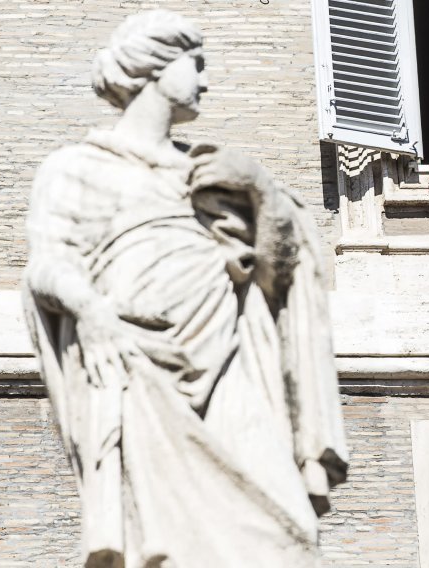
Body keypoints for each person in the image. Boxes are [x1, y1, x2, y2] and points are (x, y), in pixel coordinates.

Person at [23, 10, 347, 567]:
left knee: (288, 527)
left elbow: (279, 282)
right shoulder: (74, 168)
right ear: (152, 67)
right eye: (194, 64)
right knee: (170, 546)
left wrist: (264, 194)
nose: (205, 80)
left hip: (233, 362)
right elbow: (49, 263)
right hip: (137, 367)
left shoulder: (217, 174)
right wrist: (91, 313)